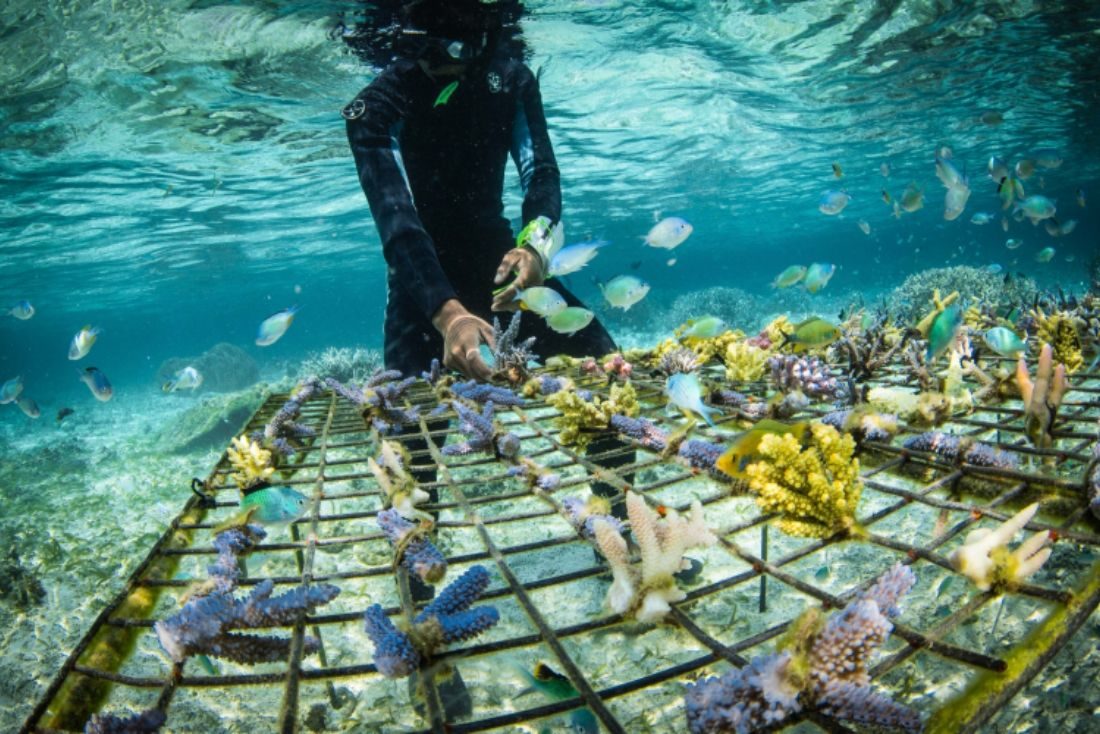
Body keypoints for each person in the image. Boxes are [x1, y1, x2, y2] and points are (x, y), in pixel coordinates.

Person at [343, 0, 616, 380]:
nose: (428, 64)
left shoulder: (512, 81)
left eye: (445, 50)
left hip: (501, 264)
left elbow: (541, 174)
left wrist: (535, 250)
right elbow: (397, 221)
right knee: (408, 425)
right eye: (417, 47)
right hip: (422, 282)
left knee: (607, 370)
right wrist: (448, 316)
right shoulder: (376, 108)